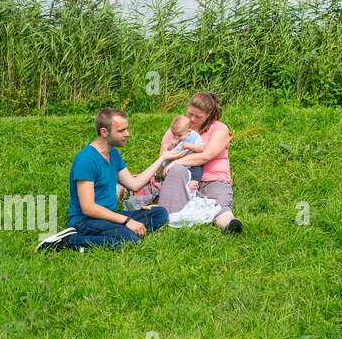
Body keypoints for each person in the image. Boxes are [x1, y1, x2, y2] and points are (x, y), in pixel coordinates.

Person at [36, 108, 187, 252]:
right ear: (104, 132)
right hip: (86, 220)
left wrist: (163, 158)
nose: (127, 134)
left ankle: (122, 231)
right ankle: (69, 240)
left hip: (109, 216)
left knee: (160, 213)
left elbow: (134, 184)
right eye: (121, 130)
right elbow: (88, 208)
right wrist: (127, 221)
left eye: (126, 129)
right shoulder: (86, 160)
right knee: (129, 240)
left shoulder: (113, 154)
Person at [158, 91, 242, 234]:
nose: (192, 119)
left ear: (208, 114)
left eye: (198, 116)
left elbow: (206, 155)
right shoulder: (176, 129)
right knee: (177, 172)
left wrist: (177, 162)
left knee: (220, 208)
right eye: (190, 113)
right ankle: (162, 221)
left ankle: (229, 224)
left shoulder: (219, 129)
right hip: (184, 179)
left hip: (213, 179)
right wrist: (171, 163)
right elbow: (162, 163)